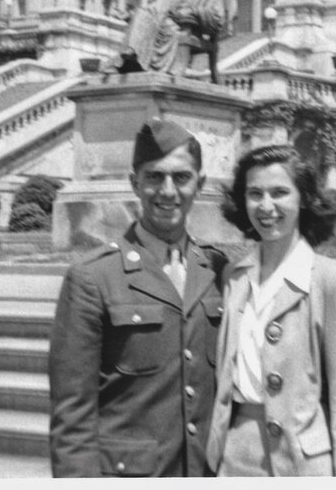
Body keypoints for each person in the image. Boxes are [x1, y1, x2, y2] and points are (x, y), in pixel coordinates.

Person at [49, 118, 227, 477]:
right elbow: (73, 417)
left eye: (181, 177)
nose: (167, 191)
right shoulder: (92, 278)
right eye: (154, 177)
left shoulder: (219, 270)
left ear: (200, 184)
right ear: (134, 183)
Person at [206, 144, 336, 477]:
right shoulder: (234, 277)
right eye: (255, 194)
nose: (266, 207)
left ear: (303, 199)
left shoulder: (333, 282)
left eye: (280, 192)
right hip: (233, 457)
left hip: (301, 463)